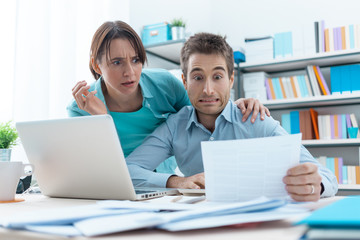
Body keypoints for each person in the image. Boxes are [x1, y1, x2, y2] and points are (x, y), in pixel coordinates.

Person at [126, 32, 338, 202]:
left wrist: (314, 185)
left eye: (217, 77)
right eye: (198, 77)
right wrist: (176, 181)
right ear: (184, 81)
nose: (208, 89)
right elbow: (129, 171)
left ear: (231, 79)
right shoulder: (175, 126)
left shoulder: (255, 119)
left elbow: (328, 178)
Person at [67, 20, 270, 174]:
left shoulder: (165, 85)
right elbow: (92, 167)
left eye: (136, 60)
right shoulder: (80, 108)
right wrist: (103, 119)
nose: (129, 72)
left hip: (159, 183)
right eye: (117, 62)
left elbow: (203, 107)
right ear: (96, 65)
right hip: (114, 180)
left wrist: (237, 105)